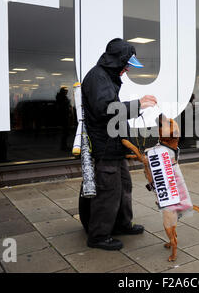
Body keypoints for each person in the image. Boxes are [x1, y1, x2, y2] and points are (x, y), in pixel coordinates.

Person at [81, 38, 157, 250]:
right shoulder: (98, 77)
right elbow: (105, 109)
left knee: (124, 186)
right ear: (117, 61)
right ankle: (98, 235)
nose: (127, 70)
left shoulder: (106, 76)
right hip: (104, 146)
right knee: (108, 191)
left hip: (114, 144)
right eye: (126, 65)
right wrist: (138, 104)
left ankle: (123, 224)